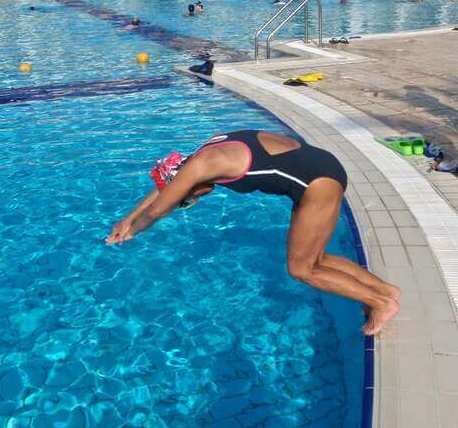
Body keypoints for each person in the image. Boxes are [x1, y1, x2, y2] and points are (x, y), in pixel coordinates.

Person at [106, 130, 401, 335]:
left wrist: (135, 231)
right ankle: (386, 291)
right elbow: (165, 191)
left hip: (318, 184)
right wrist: (126, 219)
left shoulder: (203, 167)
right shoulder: (201, 155)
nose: (200, 198)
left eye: (191, 199)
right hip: (319, 169)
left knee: (301, 270)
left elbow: (158, 209)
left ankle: (381, 303)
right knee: (316, 259)